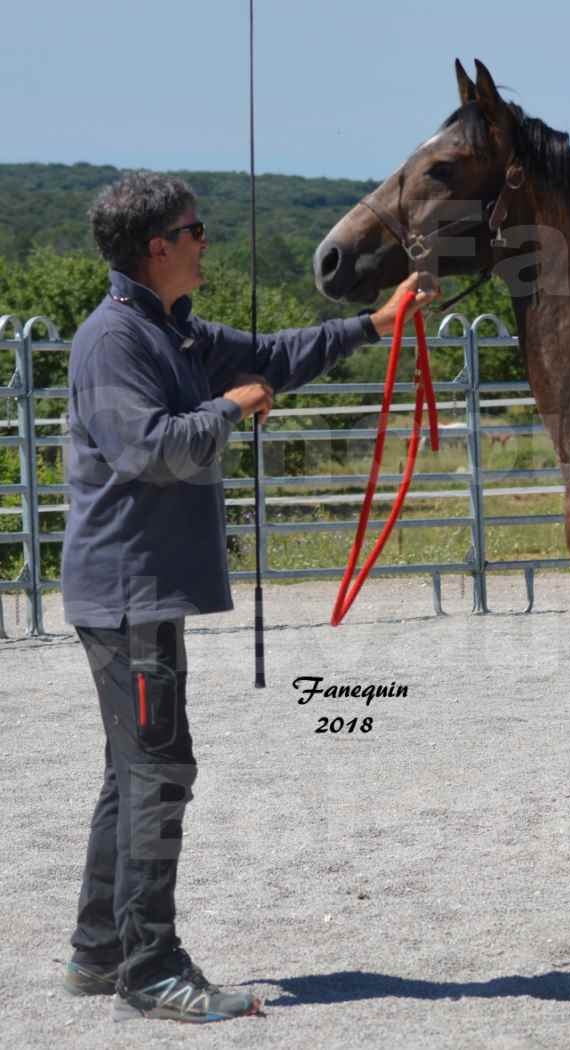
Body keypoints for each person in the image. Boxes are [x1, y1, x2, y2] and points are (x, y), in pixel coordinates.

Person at [60, 171, 435, 1022]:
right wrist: (229, 411)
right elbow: (152, 451)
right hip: (127, 591)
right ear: (158, 247)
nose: (205, 241)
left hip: (141, 590)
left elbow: (273, 359)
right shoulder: (114, 340)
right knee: (159, 773)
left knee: (133, 773)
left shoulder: (174, 331)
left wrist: (373, 327)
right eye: (195, 230)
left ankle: (99, 951)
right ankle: (150, 969)